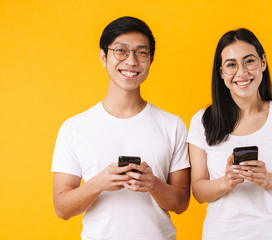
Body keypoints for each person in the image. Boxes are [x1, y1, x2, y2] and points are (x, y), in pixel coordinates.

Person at [51, 16, 190, 240]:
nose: (132, 61)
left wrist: (152, 183)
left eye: (141, 52)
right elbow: (62, 208)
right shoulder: (75, 128)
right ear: (103, 57)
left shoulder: (172, 125)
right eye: (121, 51)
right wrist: (98, 183)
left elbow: (181, 203)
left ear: (151, 59)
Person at [187, 28, 272, 240]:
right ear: (221, 72)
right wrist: (226, 182)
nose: (241, 73)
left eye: (249, 61)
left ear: (263, 63)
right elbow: (198, 190)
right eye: (231, 65)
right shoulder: (202, 121)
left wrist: (266, 178)